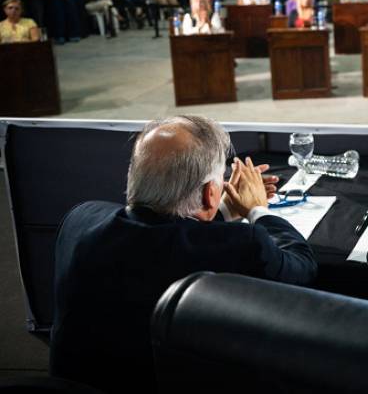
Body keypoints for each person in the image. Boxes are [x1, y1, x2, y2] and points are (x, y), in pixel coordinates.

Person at [49, 116, 316, 394]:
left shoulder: (80, 219)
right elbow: (301, 267)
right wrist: (258, 209)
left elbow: (166, 240)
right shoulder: (243, 246)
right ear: (211, 193)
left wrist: (220, 212)